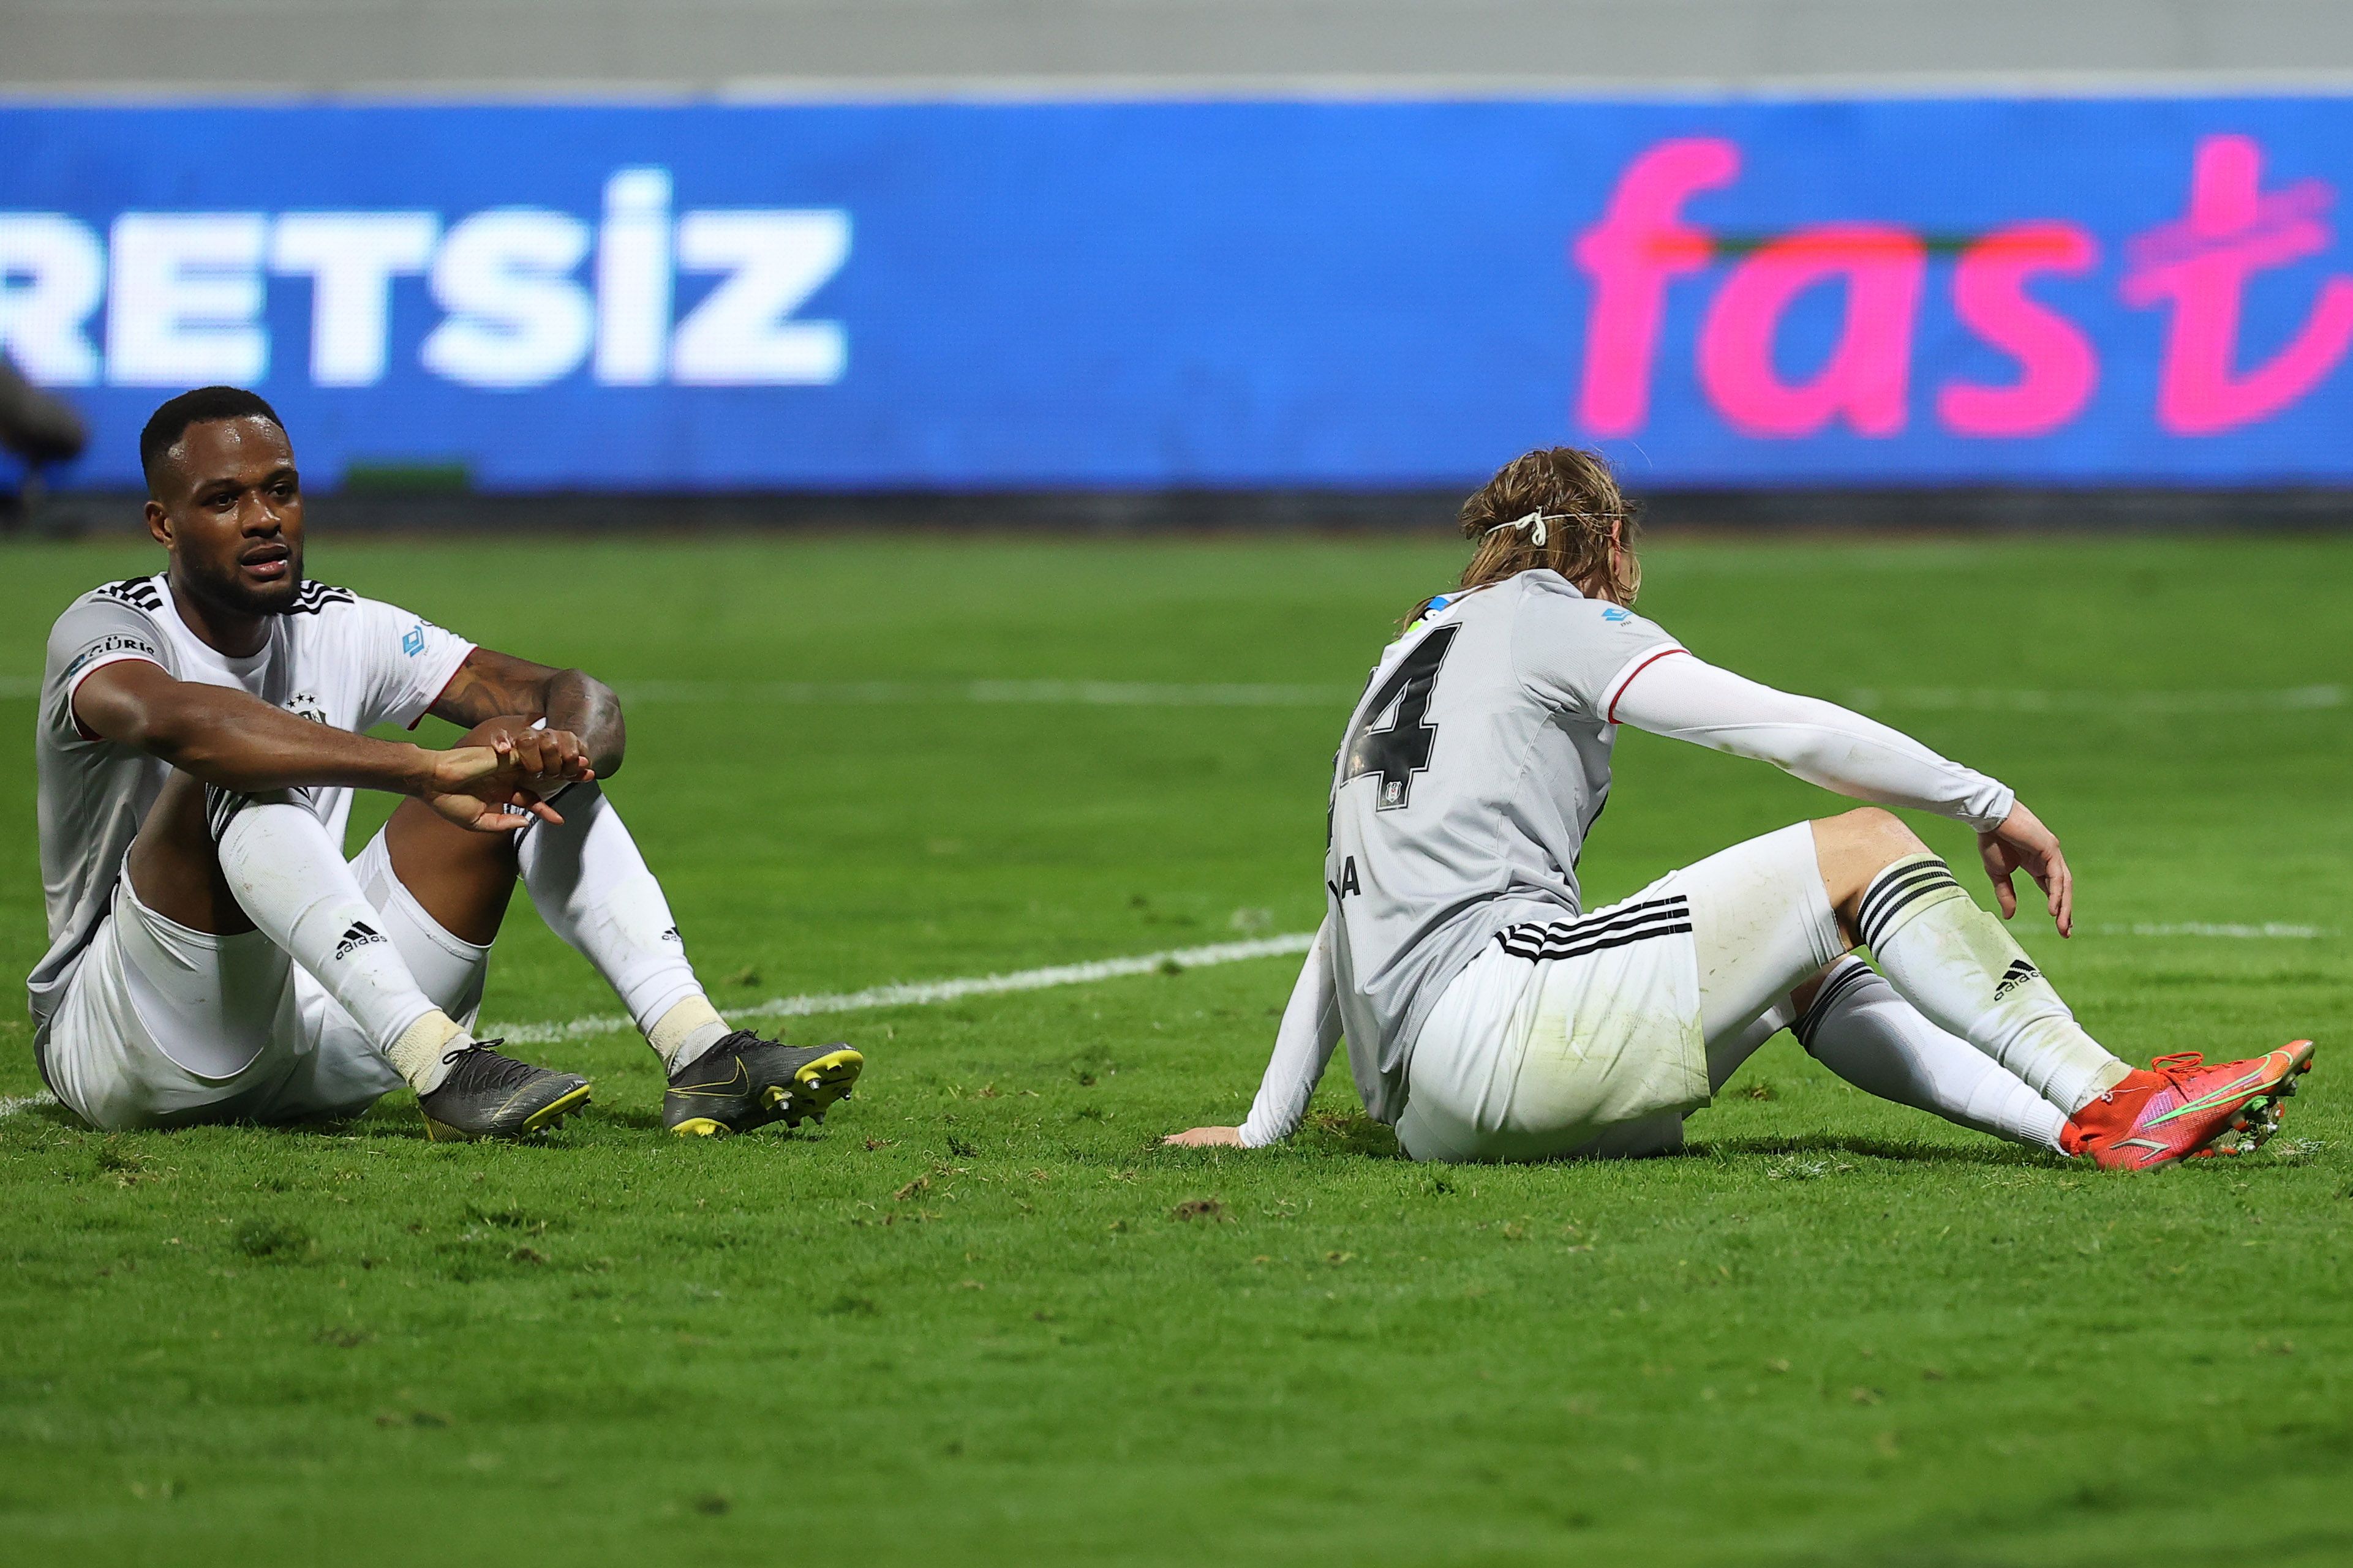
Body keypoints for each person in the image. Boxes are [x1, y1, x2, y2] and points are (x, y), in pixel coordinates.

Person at [1167, 447, 2311, 1170]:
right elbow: (1787, 732)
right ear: (1611, 542)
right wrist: (1988, 796)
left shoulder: (1402, 655)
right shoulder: (1557, 612)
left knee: (1800, 955)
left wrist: (1265, 1126)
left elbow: (1346, 913)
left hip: (1432, 1116)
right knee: (1860, 849)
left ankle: (2076, 1130)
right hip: (1503, 1034)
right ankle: (2119, 1097)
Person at [29, 386, 862, 1140]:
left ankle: (702, 1049)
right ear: (162, 525)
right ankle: (442, 1064)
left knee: (512, 741)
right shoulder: (109, 626)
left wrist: (558, 745)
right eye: (223, 500)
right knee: (232, 764)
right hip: (135, 1043)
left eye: (279, 489)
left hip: (325, 1029)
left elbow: (572, 692)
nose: (263, 518)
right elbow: (179, 721)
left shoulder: (339, 623)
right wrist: (422, 770)